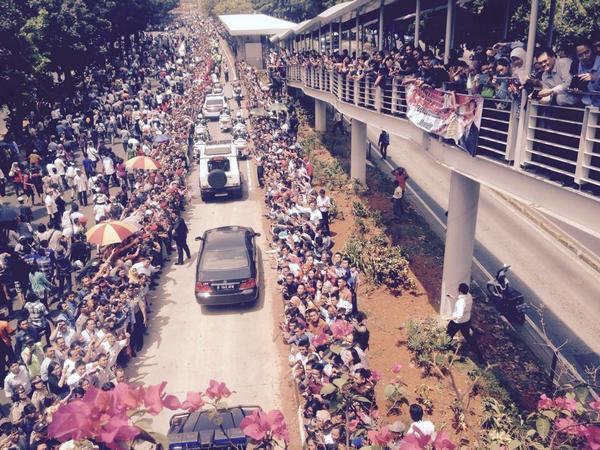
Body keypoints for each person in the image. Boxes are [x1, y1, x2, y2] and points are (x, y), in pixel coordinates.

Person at [446, 283, 483, 361]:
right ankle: (479, 356)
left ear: (460, 291)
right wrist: (453, 297)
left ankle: (447, 350)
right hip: (466, 321)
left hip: (457, 322)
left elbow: (459, 314)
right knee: (468, 337)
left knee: (448, 335)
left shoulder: (460, 302)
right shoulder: (468, 296)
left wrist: (449, 318)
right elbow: (462, 300)